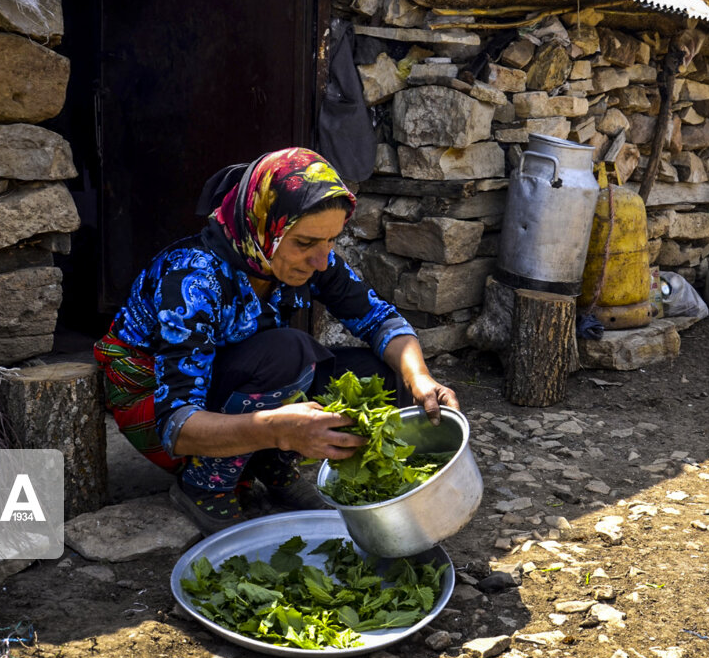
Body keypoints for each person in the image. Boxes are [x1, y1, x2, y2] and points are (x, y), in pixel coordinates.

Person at [94, 147, 459, 534]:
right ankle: (204, 486)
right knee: (288, 353)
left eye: (331, 240)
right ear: (263, 225)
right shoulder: (192, 280)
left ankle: (271, 465)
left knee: (387, 377)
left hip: (237, 385)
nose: (322, 259)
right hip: (156, 406)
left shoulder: (309, 257)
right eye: (304, 243)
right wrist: (279, 430)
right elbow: (177, 426)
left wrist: (420, 379)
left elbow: (379, 319)